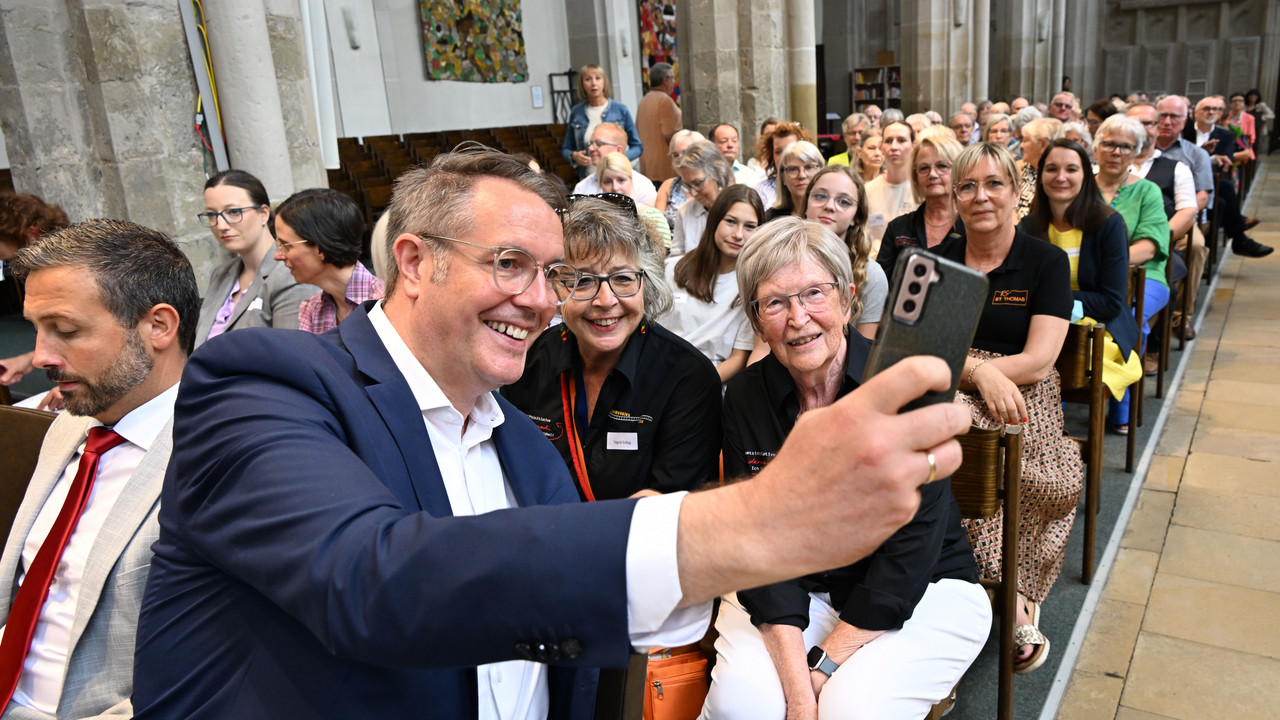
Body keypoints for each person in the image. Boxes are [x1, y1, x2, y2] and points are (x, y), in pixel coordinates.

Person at [131, 145, 971, 719]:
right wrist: (759, 521)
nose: (542, 301)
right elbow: (372, 579)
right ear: (415, 262)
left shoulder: (525, 456)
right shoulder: (272, 382)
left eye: (549, 274)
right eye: (512, 264)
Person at [702, 217, 990, 720]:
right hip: (794, 584)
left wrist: (824, 670)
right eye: (774, 302)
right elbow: (758, 541)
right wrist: (797, 695)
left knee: (850, 710)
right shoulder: (746, 397)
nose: (797, 318)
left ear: (848, 297)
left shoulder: (902, 383)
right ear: (755, 318)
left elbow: (912, 546)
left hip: (921, 588)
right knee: (742, 707)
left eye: (814, 292)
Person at [0, 219, 198, 719]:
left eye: (66, 331)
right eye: (36, 329)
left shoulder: (213, 458)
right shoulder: (70, 426)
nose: (41, 355)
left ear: (158, 326)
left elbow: (220, 669)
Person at [939, 142, 1081, 676]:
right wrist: (978, 371)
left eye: (994, 184)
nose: (982, 196)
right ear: (955, 197)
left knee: (1018, 467)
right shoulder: (940, 262)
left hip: (1026, 389)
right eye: (968, 186)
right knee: (966, 446)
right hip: (952, 383)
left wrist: (989, 373)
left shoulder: (1043, 261)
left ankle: (1002, 587)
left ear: (1017, 194)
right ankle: (1008, 597)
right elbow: (925, 348)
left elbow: (1041, 360)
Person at [503, 195, 720, 501]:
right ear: (557, 285)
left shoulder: (688, 378)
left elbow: (670, 505)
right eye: (584, 281)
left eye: (622, 278)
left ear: (646, 282)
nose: (605, 301)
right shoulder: (528, 359)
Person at [1021, 139, 1141, 399]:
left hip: (1098, 327)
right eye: (1051, 169)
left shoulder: (1108, 224)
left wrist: (1050, 300)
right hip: (1043, 325)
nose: (1060, 177)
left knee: (1062, 357)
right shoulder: (1029, 226)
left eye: (1071, 169)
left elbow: (1111, 301)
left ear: (1086, 176)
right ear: (1040, 175)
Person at [1092, 115, 1170, 429]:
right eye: (1109, 144)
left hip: (1145, 275)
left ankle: (1120, 410)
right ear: (1096, 147)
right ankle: (1064, 397)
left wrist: (1104, 266)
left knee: (1128, 319)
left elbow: (1150, 247)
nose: (1116, 151)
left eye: (1125, 146)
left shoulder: (1147, 191)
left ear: (1136, 152)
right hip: (1087, 277)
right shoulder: (1080, 186)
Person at [193, 170, 316, 347]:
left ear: (264, 213)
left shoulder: (291, 274)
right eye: (212, 215)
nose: (221, 225)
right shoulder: (221, 273)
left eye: (234, 212)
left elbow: (292, 357)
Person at [657, 185, 763, 382]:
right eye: (730, 221)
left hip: (710, 381)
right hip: (660, 372)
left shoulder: (752, 287)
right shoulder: (671, 269)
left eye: (749, 226)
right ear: (714, 220)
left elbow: (739, 358)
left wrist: (696, 386)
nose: (738, 235)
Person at [1126, 102, 1202, 341]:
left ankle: (1163, 337)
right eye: (1134, 122)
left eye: (1148, 123)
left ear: (1157, 129)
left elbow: (1188, 211)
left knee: (1175, 266)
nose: (1141, 128)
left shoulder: (1176, 168)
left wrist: (1156, 238)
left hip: (1159, 243)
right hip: (1115, 244)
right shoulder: (1104, 166)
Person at [272, 188, 385, 334]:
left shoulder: (386, 304)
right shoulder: (311, 309)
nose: (277, 255)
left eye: (286, 246)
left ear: (320, 248)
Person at [802, 165, 887, 338]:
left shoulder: (871, 275)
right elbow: (763, 349)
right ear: (806, 205)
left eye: (844, 202)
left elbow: (865, 352)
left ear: (856, 217)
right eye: (820, 196)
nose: (829, 206)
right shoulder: (779, 262)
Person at [0, 193, 70, 393]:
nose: (19, 268)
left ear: (34, 234)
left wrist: (80, 385)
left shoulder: (77, 275)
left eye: (15, 258)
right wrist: (25, 361)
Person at [1184, 96, 1270, 256]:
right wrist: (1203, 153)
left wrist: (1209, 158)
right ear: (1196, 112)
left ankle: (1208, 254)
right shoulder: (1185, 131)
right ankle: (1239, 239)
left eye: (1215, 109)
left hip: (1211, 181)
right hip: (1186, 178)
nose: (1211, 112)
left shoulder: (1225, 134)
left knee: (1221, 202)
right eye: (1207, 108)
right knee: (1225, 189)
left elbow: (1227, 159)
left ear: (1220, 113)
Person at [879, 133, 967, 274]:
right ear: (916, 177)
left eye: (942, 166)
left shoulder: (973, 227)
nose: (932, 174)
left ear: (960, 171)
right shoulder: (898, 228)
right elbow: (882, 287)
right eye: (924, 168)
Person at [561, 63, 642, 179]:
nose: (594, 83)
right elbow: (566, 149)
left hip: (618, 173)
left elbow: (637, 146)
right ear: (582, 85)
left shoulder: (620, 110)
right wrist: (574, 156)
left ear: (604, 82)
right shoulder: (576, 112)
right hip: (589, 175)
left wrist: (620, 157)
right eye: (588, 79)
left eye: (598, 78)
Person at [593, 153, 673, 251]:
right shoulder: (595, 221)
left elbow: (663, 259)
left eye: (621, 180)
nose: (615, 187)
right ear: (601, 185)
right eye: (607, 182)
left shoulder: (652, 216)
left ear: (631, 181)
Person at [864, 121, 919, 255]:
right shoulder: (867, 190)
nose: (894, 147)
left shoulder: (921, 190)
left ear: (914, 145)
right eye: (888, 141)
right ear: (882, 146)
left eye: (901, 140)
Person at [571, 123, 659, 206]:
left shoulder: (642, 186)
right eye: (591, 143)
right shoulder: (582, 188)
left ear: (619, 150)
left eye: (599, 143)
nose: (591, 148)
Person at [671, 140, 733, 256]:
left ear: (718, 173)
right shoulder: (686, 210)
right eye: (687, 186)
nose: (693, 193)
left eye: (698, 183)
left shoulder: (739, 206)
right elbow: (676, 255)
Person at [635, 63, 682, 182]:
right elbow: (670, 134)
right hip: (664, 171)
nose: (673, 82)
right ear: (665, 80)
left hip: (647, 168)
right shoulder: (665, 100)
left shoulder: (644, 100)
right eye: (672, 78)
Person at [753, 121, 811, 209]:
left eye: (790, 149)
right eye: (778, 152)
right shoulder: (761, 191)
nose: (784, 156)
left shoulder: (817, 186)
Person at [1015, 118, 1064, 219]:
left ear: (1042, 144)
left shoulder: (1063, 177)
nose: (1021, 145)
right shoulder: (1017, 169)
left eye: (1025, 140)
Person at [766, 140, 824, 221]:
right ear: (783, 177)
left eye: (809, 167)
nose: (802, 175)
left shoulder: (830, 214)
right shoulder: (771, 219)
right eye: (793, 169)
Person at [654, 129, 704, 221]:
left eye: (686, 153)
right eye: (675, 155)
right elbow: (657, 224)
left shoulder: (712, 185)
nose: (680, 159)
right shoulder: (668, 185)